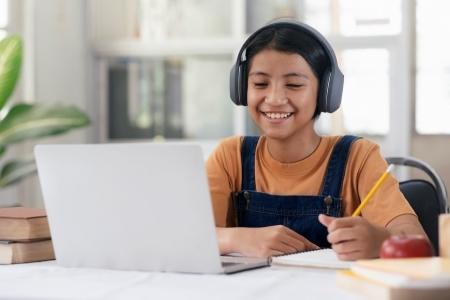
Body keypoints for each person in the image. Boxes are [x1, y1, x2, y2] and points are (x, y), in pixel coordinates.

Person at [206, 19, 427, 261]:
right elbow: (188, 238)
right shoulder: (230, 156)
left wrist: (380, 241)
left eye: (294, 84)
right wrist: (236, 239)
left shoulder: (359, 157)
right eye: (260, 84)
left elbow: (419, 244)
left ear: (326, 92)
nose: (275, 98)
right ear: (240, 89)